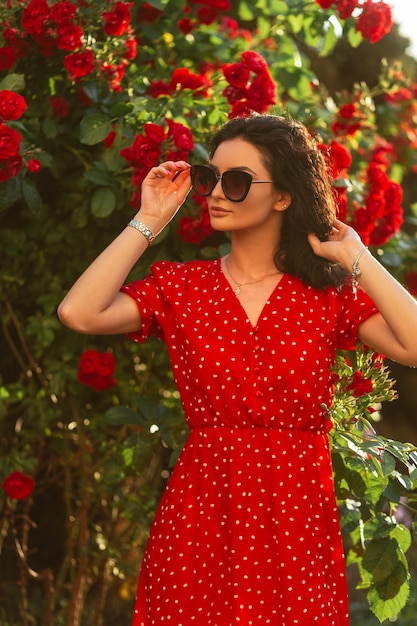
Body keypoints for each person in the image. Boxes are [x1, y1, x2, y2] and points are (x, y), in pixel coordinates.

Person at [58, 114, 417, 626]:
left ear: (284, 196)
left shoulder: (327, 296)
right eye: (210, 179)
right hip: (202, 508)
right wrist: (149, 220)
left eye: (237, 180)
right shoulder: (181, 288)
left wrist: (357, 256)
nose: (216, 194)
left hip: (296, 514)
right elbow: (79, 312)